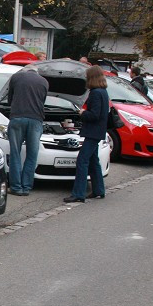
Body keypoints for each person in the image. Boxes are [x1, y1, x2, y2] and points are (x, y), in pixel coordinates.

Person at [63, 65, 108, 203]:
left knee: (82, 160)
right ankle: (98, 190)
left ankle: (78, 193)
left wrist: (83, 113)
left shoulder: (95, 93)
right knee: (94, 161)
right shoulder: (103, 92)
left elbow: (94, 114)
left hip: (92, 132)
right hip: (98, 131)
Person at [6, 66, 48, 196]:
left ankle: (16, 187)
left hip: (17, 118)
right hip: (36, 120)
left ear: (25, 70)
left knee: (15, 153)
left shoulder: (16, 77)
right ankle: (26, 187)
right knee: (32, 155)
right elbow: (42, 102)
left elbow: (9, 100)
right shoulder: (44, 82)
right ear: (37, 72)